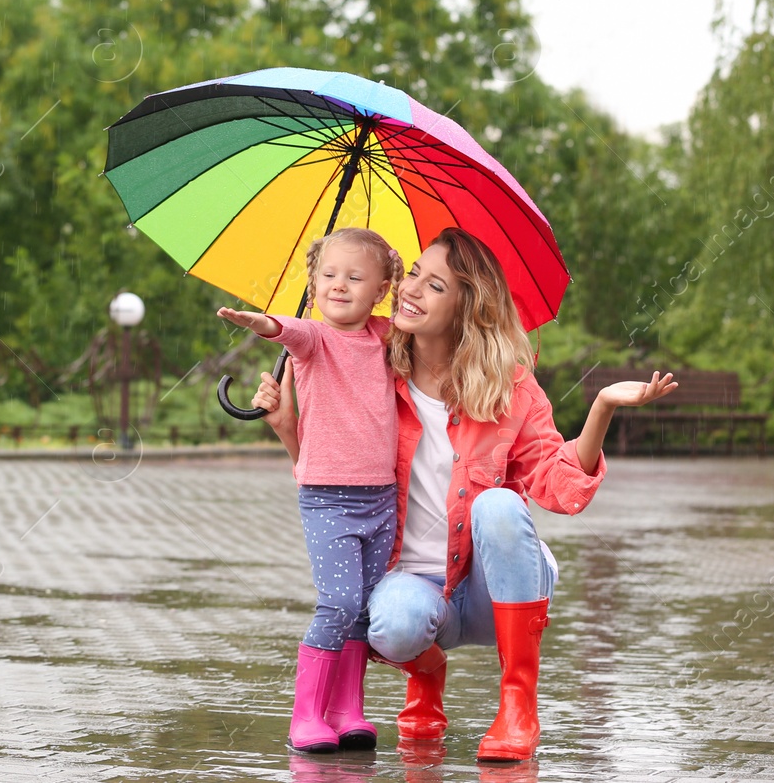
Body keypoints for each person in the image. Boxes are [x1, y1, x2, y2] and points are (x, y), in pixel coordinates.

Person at [254, 227, 676, 762]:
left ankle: (517, 706)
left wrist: (602, 408)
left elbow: (559, 485)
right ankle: (427, 675)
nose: (410, 290)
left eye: (434, 286)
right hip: (414, 584)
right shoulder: (370, 359)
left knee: (498, 504)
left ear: (465, 306)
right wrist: (287, 427)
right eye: (412, 274)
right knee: (389, 625)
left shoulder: (508, 385)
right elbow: (331, 473)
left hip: (485, 587)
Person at [217, 226, 406, 754]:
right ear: (312, 282)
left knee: (364, 609)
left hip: (381, 498)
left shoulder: (386, 338)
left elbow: (425, 328)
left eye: (354, 277)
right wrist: (261, 323)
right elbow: (286, 331)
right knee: (338, 601)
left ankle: (348, 711)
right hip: (329, 497)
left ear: (381, 290)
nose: (338, 285)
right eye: (327, 275)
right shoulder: (314, 338)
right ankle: (306, 715)